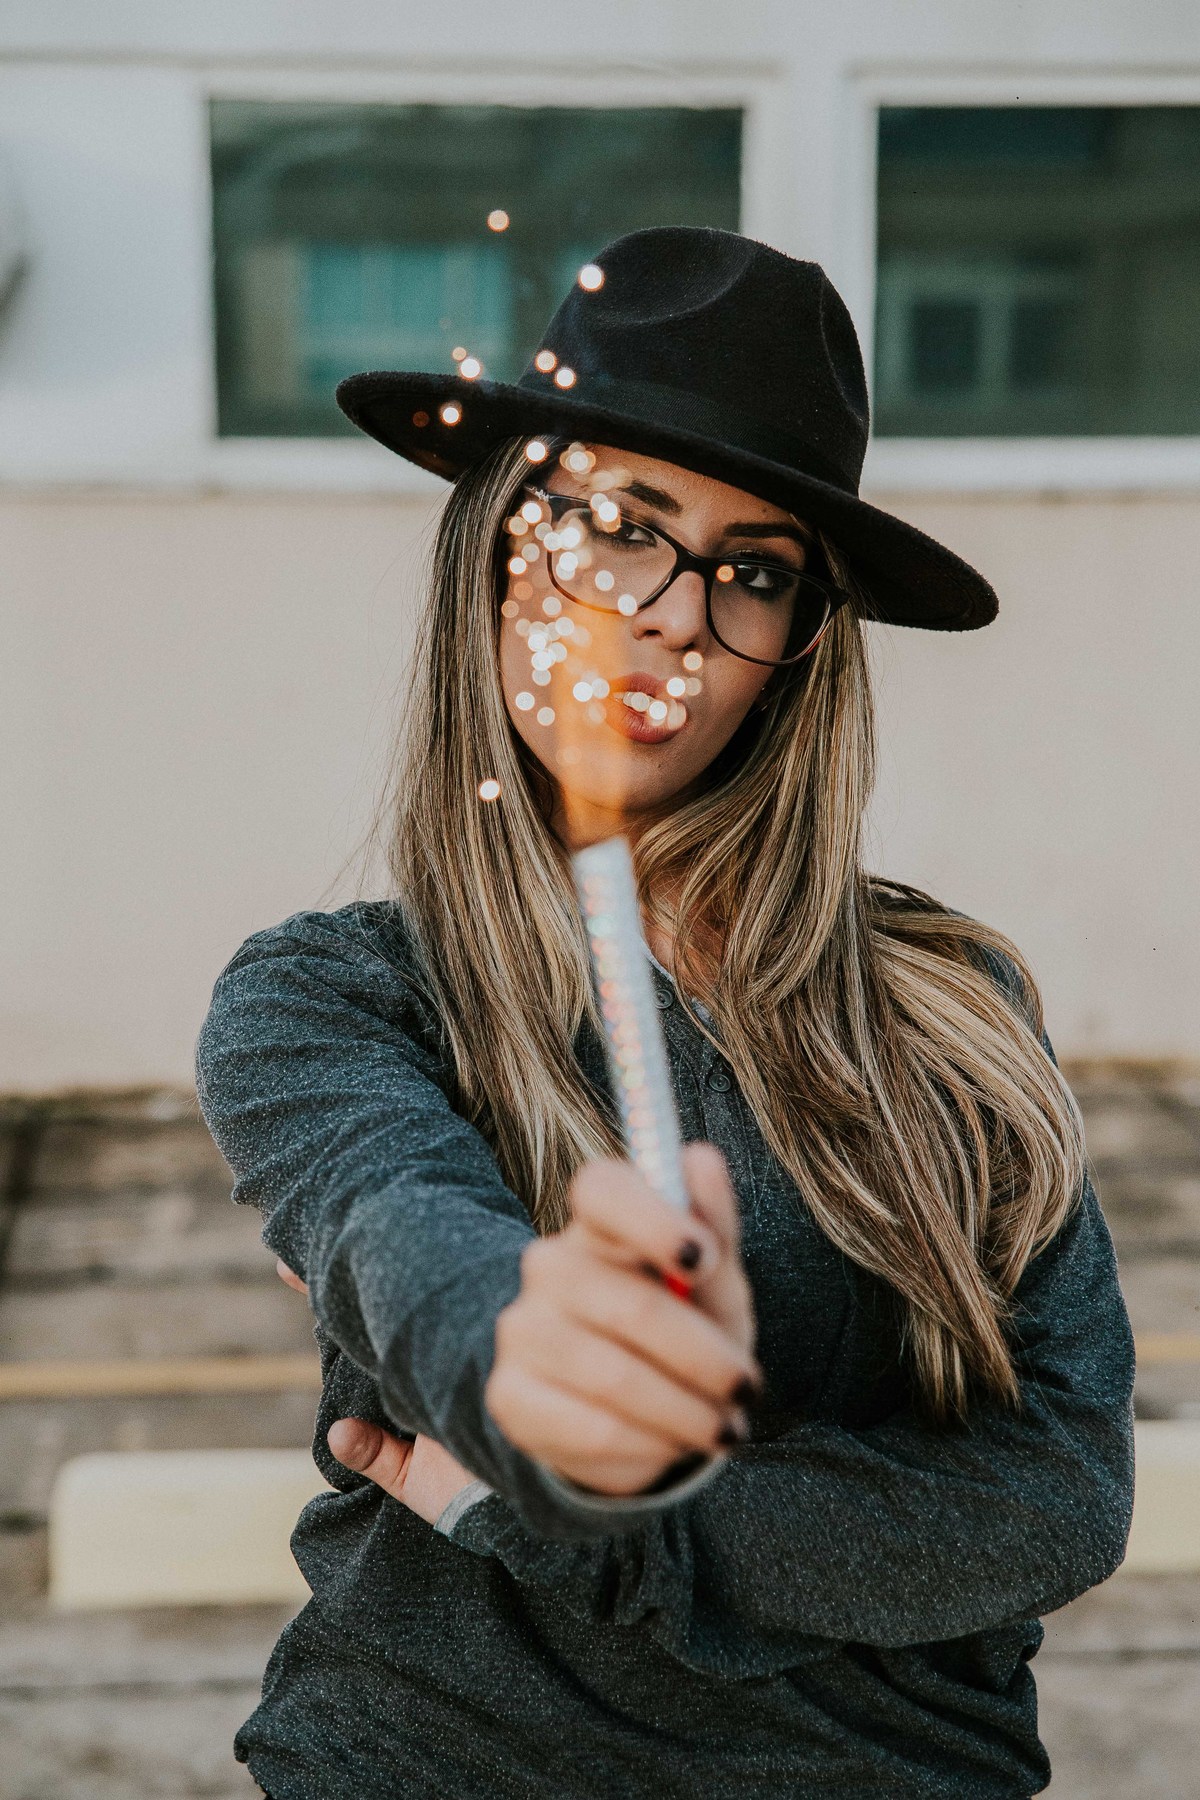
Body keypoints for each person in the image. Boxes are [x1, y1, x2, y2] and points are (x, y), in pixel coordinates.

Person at [194, 227, 1135, 1800]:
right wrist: (529, 1358)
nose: (679, 617)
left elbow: (1057, 1493)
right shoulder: (330, 1000)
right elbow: (404, 1238)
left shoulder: (951, 1008)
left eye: (754, 572)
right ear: (503, 545)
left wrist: (593, 1522)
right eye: (620, 527)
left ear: (803, 651)